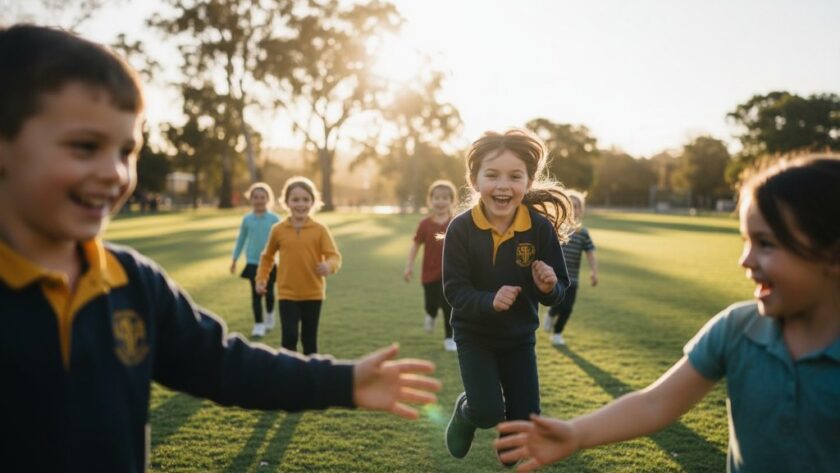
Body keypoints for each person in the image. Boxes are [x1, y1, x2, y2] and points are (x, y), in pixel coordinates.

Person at [0, 24, 441, 472]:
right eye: (85, 146)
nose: (115, 173)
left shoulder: (131, 281)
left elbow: (223, 363)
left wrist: (342, 381)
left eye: (127, 151)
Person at [496, 156, 840, 473]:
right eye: (745, 241)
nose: (745, 261)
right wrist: (575, 433)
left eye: (766, 243)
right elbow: (655, 404)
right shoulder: (737, 329)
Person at [442, 128, 574, 465]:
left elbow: (559, 290)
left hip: (519, 339)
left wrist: (548, 286)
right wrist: (490, 300)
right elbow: (454, 290)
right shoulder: (460, 228)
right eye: (492, 175)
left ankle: (507, 443)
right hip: (475, 336)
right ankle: (466, 412)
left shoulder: (539, 229)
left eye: (515, 176)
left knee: (523, 426)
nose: (503, 185)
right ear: (474, 180)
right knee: (487, 412)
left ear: (528, 182)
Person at [256, 176, 339, 355]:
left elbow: (334, 256)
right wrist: (261, 279)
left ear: (313, 202)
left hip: (313, 293)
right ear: (286, 202)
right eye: (295, 199)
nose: (300, 204)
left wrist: (329, 266)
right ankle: (290, 379)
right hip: (287, 294)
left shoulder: (320, 230)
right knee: (289, 338)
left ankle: (311, 380)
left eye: (305, 199)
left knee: (309, 340)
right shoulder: (278, 230)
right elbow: (267, 257)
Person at [404, 179, 458, 352]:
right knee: (431, 304)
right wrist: (409, 266)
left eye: (445, 198)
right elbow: (415, 246)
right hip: (429, 274)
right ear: (430, 200)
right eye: (437, 198)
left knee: (449, 305)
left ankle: (449, 338)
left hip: (450, 275)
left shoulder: (456, 223)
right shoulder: (425, 224)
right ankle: (431, 314)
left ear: (452, 201)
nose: (441, 201)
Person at [541, 190, 598, 346]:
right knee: (558, 303)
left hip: (572, 278)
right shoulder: (555, 228)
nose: (573, 208)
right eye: (570, 205)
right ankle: (551, 313)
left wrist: (594, 272)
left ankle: (557, 334)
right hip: (555, 276)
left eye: (576, 206)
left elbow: (590, 253)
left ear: (581, 210)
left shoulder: (583, 233)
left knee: (567, 308)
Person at [230, 182, 280, 337]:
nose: (259, 200)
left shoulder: (274, 219)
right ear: (251, 199)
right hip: (252, 262)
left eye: (262, 197)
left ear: (268, 199)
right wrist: (234, 259)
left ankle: (270, 315)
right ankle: (258, 324)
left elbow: (281, 241)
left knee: (270, 293)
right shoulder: (247, 219)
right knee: (256, 294)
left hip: (270, 262)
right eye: (255, 197)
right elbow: (241, 240)